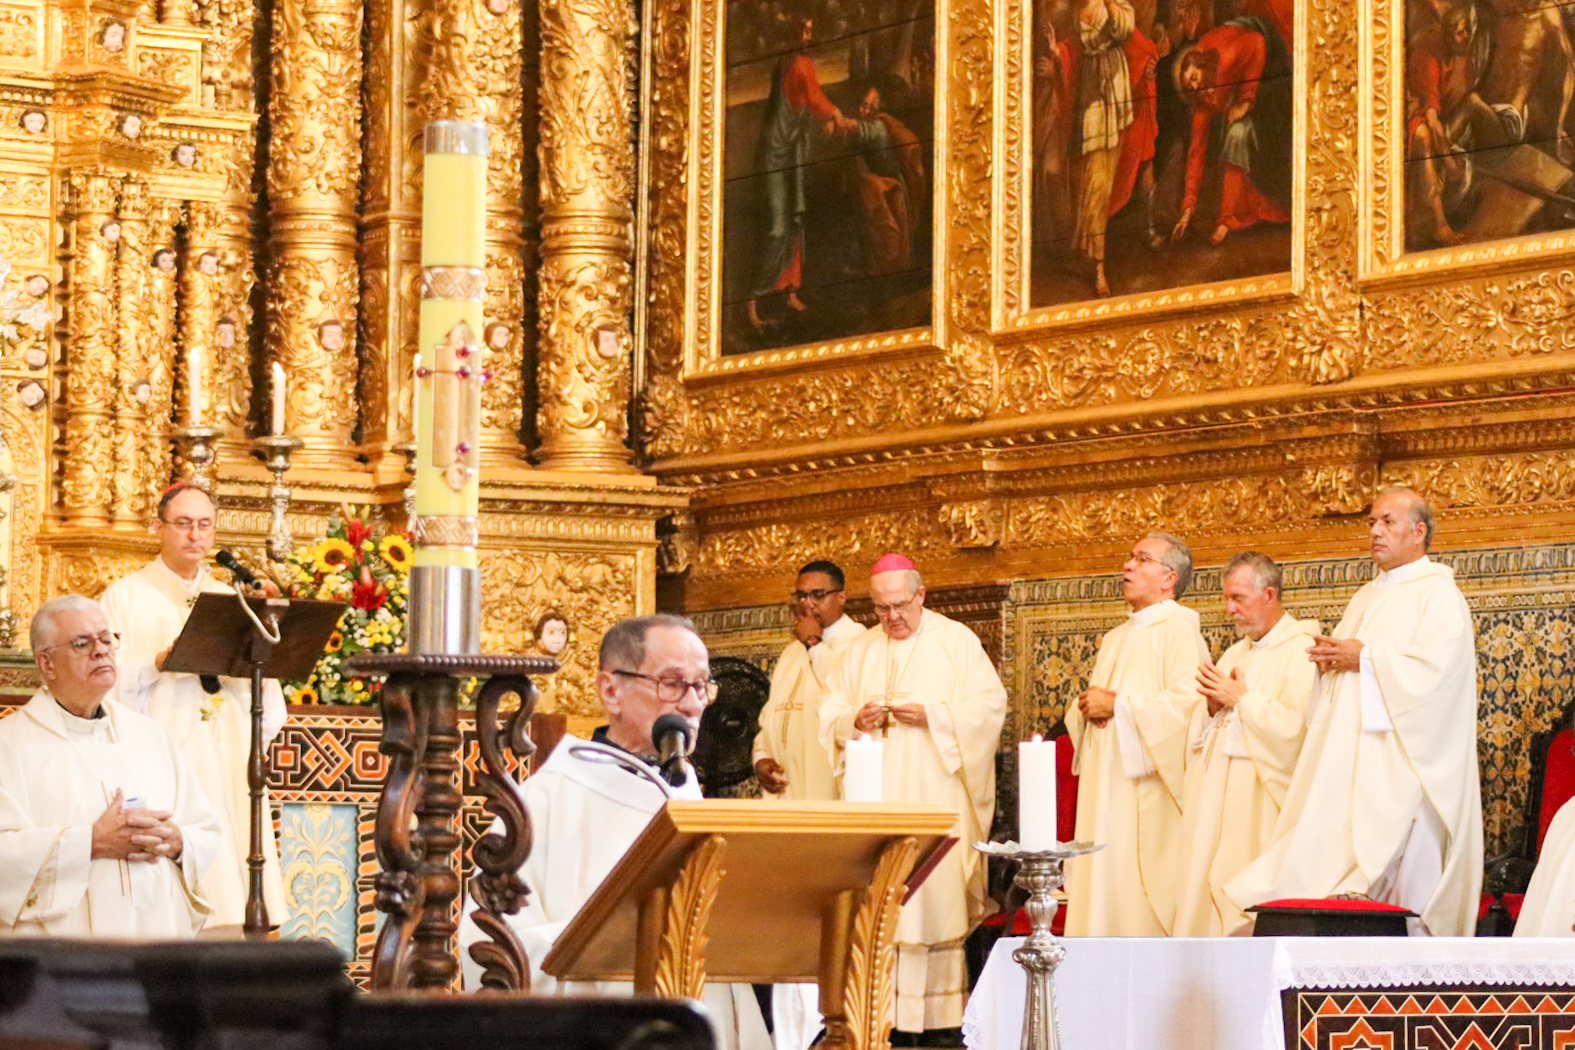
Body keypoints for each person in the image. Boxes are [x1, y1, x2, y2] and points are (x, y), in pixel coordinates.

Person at [458, 615, 770, 1050]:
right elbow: (494, 945)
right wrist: (622, 942)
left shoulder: (685, 792)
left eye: (702, 686)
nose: (693, 704)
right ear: (610, 690)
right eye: (672, 683)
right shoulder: (547, 799)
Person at [1226, 489, 1483, 936]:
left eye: (1388, 522)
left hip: (1403, 767)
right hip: (1353, 763)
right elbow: (1350, 666)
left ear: (1419, 532)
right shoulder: (1366, 596)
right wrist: (1329, 666)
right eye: (1371, 523)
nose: (1376, 531)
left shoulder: (1438, 594)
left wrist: (1363, 658)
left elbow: (1438, 677)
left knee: (1399, 893)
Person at [819, 554, 1005, 1041]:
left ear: (921, 595)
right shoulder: (860, 649)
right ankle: (879, 1017)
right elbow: (830, 710)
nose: (892, 617)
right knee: (882, 904)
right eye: (881, 609)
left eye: (900, 605)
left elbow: (989, 708)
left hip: (935, 793)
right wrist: (852, 721)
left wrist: (934, 717)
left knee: (932, 900)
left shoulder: (956, 641)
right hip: (877, 801)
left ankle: (941, 1026)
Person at [99, 483, 289, 928]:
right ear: (158, 527)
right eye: (183, 523)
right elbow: (104, 681)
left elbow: (266, 691)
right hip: (164, 745)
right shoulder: (124, 597)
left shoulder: (232, 598)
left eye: (204, 525)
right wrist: (155, 663)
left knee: (233, 856)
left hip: (228, 747)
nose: (195, 535)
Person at [0, 595, 220, 938]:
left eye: (106, 639)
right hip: (64, 950)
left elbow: (204, 830)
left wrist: (177, 841)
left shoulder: (151, 736)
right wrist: (90, 842)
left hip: (157, 938)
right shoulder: (10, 745)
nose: (101, 651)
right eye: (81, 644)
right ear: (46, 664)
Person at [1062, 533, 1208, 936]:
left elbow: (1190, 708)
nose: (1128, 566)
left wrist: (1120, 706)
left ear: (1169, 578)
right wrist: (1086, 708)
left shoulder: (1179, 629)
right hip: (1104, 790)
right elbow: (1100, 707)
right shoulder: (1116, 638)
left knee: (1133, 904)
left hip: (1144, 800)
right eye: (1130, 557)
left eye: (1142, 559)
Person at [1172, 552, 1319, 936]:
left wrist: (1242, 700)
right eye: (1227, 599)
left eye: (1238, 598)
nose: (1229, 609)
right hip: (1213, 803)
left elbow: (1298, 732)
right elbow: (1208, 725)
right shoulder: (1236, 653)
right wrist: (1211, 705)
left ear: (1269, 595)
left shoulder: (1302, 650)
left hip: (1257, 806)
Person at [746, 16, 850, 331]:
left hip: (792, 151)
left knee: (794, 222)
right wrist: (836, 113)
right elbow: (814, 99)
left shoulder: (792, 63)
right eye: (803, 30)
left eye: (809, 30)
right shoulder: (795, 65)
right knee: (777, 228)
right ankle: (752, 302)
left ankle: (791, 292)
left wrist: (827, 118)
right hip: (776, 155)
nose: (807, 36)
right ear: (792, 32)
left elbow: (805, 102)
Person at [1170, 17, 1292, 246]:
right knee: (1236, 135)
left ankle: (1226, 220)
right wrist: (1187, 211)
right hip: (1244, 92)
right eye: (1190, 87)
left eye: (1194, 78)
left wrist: (1247, 99)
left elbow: (1256, 41)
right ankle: (1227, 220)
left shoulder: (1225, 58)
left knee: (1240, 134)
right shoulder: (1203, 103)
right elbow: (1196, 153)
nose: (1195, 86)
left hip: (1267, 67)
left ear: (1202, 65)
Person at [755, 559, 867, 803]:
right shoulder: (791, 652)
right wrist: (761, 755)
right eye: (801, 596)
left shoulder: (860, 644)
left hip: (825, 781)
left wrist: (813, 644)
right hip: (784, 784)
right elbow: (771, 712)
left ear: (841, 597)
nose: (807, 603)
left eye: (818, 595)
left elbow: (841, 690)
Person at [1071, 0, 1136, 296]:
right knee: (1093, 177)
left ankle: (1095, 255)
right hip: (1091, 89)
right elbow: (1079, 43)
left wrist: (1110, 5)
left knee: (1106, 179)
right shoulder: (1076, 9)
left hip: (1115, 86)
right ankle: (1091, 253)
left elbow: (1127, 30)